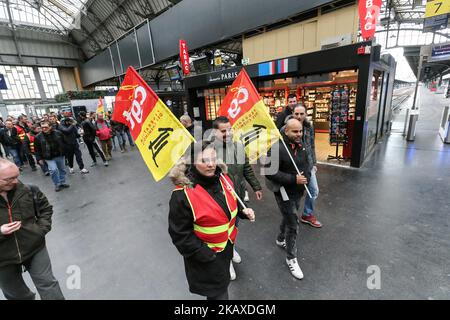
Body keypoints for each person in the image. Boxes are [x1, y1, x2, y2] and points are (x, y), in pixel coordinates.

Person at [168, 141, 255, 300]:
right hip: (205, 260)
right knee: (219, 296)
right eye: (204, 161)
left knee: (223, 286)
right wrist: (206, 255)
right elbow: (180, 235)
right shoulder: (182, 195)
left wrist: (243, 211)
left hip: (225, 251)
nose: (210, 165)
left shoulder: (224, 178)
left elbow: (231, 203)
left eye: (213, 159)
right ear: (192, 162)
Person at [0, 159, 65, 300]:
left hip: (34, 246)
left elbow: (45, 209)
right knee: (16, 294)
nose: (16, 181)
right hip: (3, 257)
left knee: (48, 285)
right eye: (9, 179)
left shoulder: (28, 190)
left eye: (16, 176)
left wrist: (40, 231)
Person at [210, 116, 262, 280]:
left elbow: (246, 167)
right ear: (215, 132)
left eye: (230, 129)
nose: (228, 133)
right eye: (223, 131)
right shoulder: (208, 151)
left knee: (234, 227)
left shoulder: (239, 146)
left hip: (237, 196)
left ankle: (231, 249)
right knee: (222, 231)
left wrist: (256, 186)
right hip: (219, 200)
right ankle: (226, 261)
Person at [264, 119, 310, 280]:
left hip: (298, 191)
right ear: (286, 132)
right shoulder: (276, 148)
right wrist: (293, 179)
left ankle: (280, 238)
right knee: (293, 224)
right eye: (295, 132)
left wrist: (307, 181)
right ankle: (291, 258)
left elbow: (306, 165)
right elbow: (269, 171)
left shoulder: (302, 146)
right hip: (283, 192)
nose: (299, 134)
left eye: (300, 131)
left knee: (289, 216)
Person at [290, 105, 322, 228]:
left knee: (313, 190)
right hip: (293, 166)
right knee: (294, 194)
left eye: (301, 113)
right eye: (296, 114)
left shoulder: (309, 127)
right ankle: (290, 218)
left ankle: (307, 214)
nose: (299, 116)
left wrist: (314, 163)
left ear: (305, 114)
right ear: (292, 113)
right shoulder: (286, 128)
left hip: (307, 164)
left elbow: (311, 145)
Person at [34, 121, 69, 192]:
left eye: (45, 127)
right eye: (42, 127)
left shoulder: (58, 133)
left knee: (62, 169)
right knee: (53, 170)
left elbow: (64, 142)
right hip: (48, 157)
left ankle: (62, 182)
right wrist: (39, 159)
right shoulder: (38, 137)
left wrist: (66, 151)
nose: (44, 129)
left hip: (59, 155)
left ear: (50, 127)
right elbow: (37, 149)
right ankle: (57, 184)